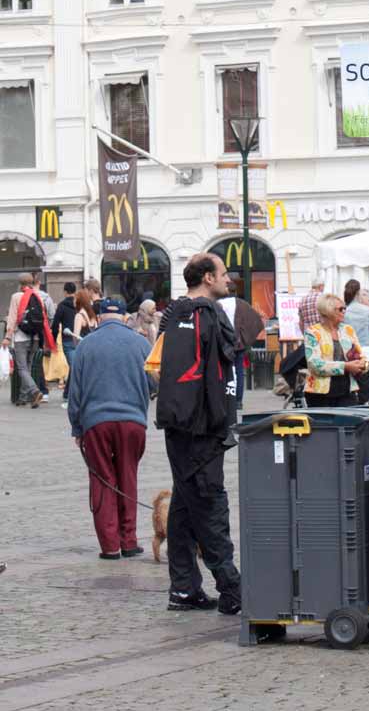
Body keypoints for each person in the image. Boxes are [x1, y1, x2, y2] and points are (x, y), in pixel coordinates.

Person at [155, 253, 241, 614]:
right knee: (208, 503)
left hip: (177, 424)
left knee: (184, 506)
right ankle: (233, 588)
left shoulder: (173, 313)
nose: (227, 280)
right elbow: (225, 368)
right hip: (203, 428)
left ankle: (184, 588)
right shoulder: (210, 312)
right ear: (207, 277)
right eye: (222, 274)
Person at [67, 297, 152, 560]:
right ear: (125, 316)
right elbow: (154, 382)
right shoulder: (141, 343)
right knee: (128, 477)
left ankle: (109, 546)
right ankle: (129, 541)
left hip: (96, 422)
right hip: (133, 422)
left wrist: (76, 427)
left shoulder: (86, 345)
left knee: (103, 480)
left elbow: (75, 392)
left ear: (100, 316)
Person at [304, 293, 368, 407]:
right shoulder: (313, 332)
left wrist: (363, 365)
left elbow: (361, 356)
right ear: (328, 311)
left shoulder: (348, 330)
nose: (344, 311)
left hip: (347, 391)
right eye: (340, 309)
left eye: (344, 308)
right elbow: (314, 364)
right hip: (319, 394)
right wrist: (345, 366)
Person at [2, 272, 55, 408]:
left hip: (21, 337)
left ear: (20, 283)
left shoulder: (16, 296)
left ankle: (34, 391)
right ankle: (24, 397)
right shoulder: (38, 295)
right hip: (35, 337)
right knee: (29, 367)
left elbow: (13, 317)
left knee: (22, 368)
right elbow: (47, 318)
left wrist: (7, 336)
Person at [217, 283, 264, 411]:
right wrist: (246, 339)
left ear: (226, 290)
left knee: (223, 371)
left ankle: (226, 399)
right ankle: (238, 401)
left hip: (223, 343)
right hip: (239, 343)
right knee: (239, 371)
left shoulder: (218, 304)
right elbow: (257, 321)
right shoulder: (242, 304)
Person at [343, 279, 369, 403]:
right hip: (365, 349)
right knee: (366, 385)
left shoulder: (345, 311)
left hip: (350, 351)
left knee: (350, 383)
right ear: (358, 293)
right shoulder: (367, 310)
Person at [51, 282, 78, 409]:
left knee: (74, 366)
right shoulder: (79, 304)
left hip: (67, 340)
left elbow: (55, 324)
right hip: (79, 339)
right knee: (75, 366)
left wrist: (53, 340)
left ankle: (69, 393)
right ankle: (68, 393)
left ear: (65, 291)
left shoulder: (61, 306)